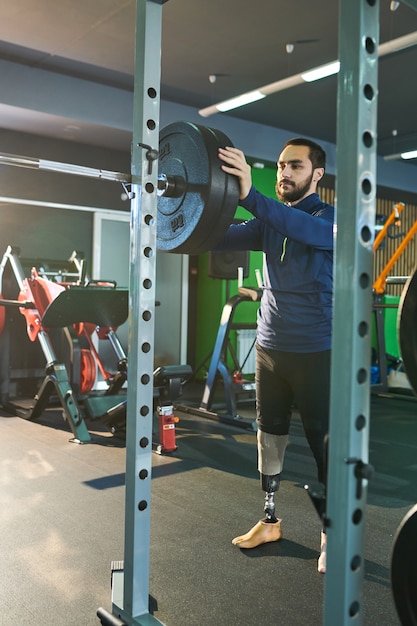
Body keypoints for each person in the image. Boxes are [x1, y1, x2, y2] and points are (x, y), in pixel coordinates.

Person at [217, 137, 335, 574]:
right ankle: (270, 521)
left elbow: (297, 227)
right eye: (281, 166)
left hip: (317, 352)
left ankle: (332, 533)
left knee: (326, 448)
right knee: (269, 438)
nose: (284, 173)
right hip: (270, 350)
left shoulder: (329, 220)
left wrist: (250, 195)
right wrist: (166, 215)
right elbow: (213, 235)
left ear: (316, 174)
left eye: (296, 167)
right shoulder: (266, 223)